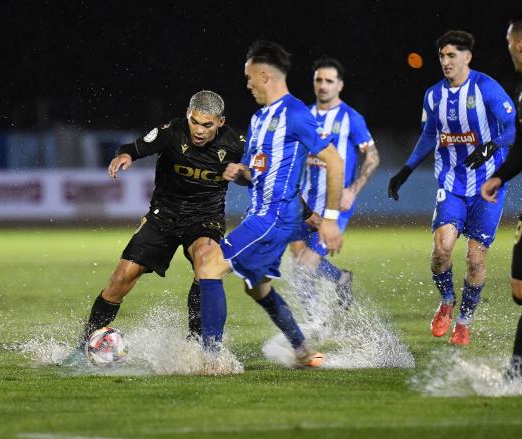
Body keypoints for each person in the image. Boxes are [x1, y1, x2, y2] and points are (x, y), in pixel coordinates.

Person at [194, 40, 345, 368]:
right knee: (258, 289)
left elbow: (334, 161)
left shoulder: (295, 113)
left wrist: (330, 219)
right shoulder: (259, 119)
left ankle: (211, 359)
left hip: (274, 216)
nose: (247, 84)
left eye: (249, 77)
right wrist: (241, 173)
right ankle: (304, 352)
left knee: (208, 263)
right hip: (261, 213)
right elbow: (255, 173)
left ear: (264, 76)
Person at [77, 90, 245, 347]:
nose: (198, 130)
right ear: (188, 115)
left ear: (220, 122)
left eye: (207, 125)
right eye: (194, 121)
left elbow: (266, 177)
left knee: (205, 264)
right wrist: (125, 155)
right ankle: (86, 344)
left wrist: (305, 213)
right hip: (163, 215)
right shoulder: (171, 131)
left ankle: (197, 346)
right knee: (120, 279)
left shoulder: (236, 144)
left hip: (205, 217)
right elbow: (135, 147)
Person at [388, 31, 516, 345]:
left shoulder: (486, 87)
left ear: (467, 57)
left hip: (487, 186)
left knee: (475, 259)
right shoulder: (433, 96)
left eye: (452, 56)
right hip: (451, 184)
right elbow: (429, 135)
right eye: (442, 56)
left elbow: (514, 128)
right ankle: (447, 300)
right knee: (441, 249)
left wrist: (488, 149)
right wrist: (406, 169)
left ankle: (464, 321)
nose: (446, 62)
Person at [480, 11, 522, 378]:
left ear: (520, 44)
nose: (507, 49)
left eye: (508, 43)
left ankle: (514, 376)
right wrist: (499, 177)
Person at [289, 56, 380, 311]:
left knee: (305, 265)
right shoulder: (304, 115)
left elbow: (373, 157)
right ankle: (340, 278)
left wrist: (353, 189)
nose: (323, 86)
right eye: (319, 80)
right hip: (305, 204)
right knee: (297, 255)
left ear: (339, 85)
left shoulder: (352, 118)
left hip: (334, 205)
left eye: (329, 81)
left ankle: (314, 318)